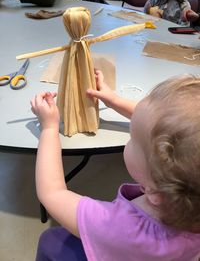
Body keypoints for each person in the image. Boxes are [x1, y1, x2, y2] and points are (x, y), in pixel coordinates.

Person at [31, 70, 200, 261]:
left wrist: (49, 128)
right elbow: (173, 129)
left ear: (154, 192)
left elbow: (52, 193)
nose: (130, 139)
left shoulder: (118, 227)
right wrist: (113, 100)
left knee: (50, 240)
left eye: (132, 138)